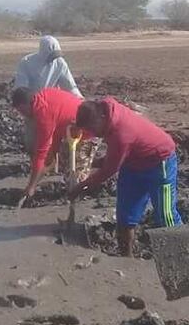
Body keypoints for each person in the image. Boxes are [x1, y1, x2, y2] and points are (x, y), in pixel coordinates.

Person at [69, 98, 182, 256]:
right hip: (133, 163)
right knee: (125, 216)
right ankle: (126, 258)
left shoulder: (121, 134)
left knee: (165, 214)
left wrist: (82, 186)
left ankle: (181, 252)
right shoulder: (104, 107)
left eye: (93, 128)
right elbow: (112, 158)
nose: (94, 133)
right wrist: (89, 161)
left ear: (101, 118)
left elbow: (110, 169)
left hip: (159, 162)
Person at [10, 87, 90, 206]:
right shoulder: (44, 94)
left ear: (29, 103)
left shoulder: (44, 115)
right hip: (70, 130)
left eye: (22, 110)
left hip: (90, 130)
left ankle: (80, 204)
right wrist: (53, 152)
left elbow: (40, 153)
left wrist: (31, 186)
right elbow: (57, 124)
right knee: (63, 166)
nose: (22, 115)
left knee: (76, 180)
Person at [14, 36, 82, 152]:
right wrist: (25, 106)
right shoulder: (27, 63)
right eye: (51, 55)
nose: (53, 58)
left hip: (52, 106)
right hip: (32, 106)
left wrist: (80, 100)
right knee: (34, 141)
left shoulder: (60, 63)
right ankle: (36, 163)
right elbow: (21, 88)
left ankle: (51, 164)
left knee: (54, 140)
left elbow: (69, 85)